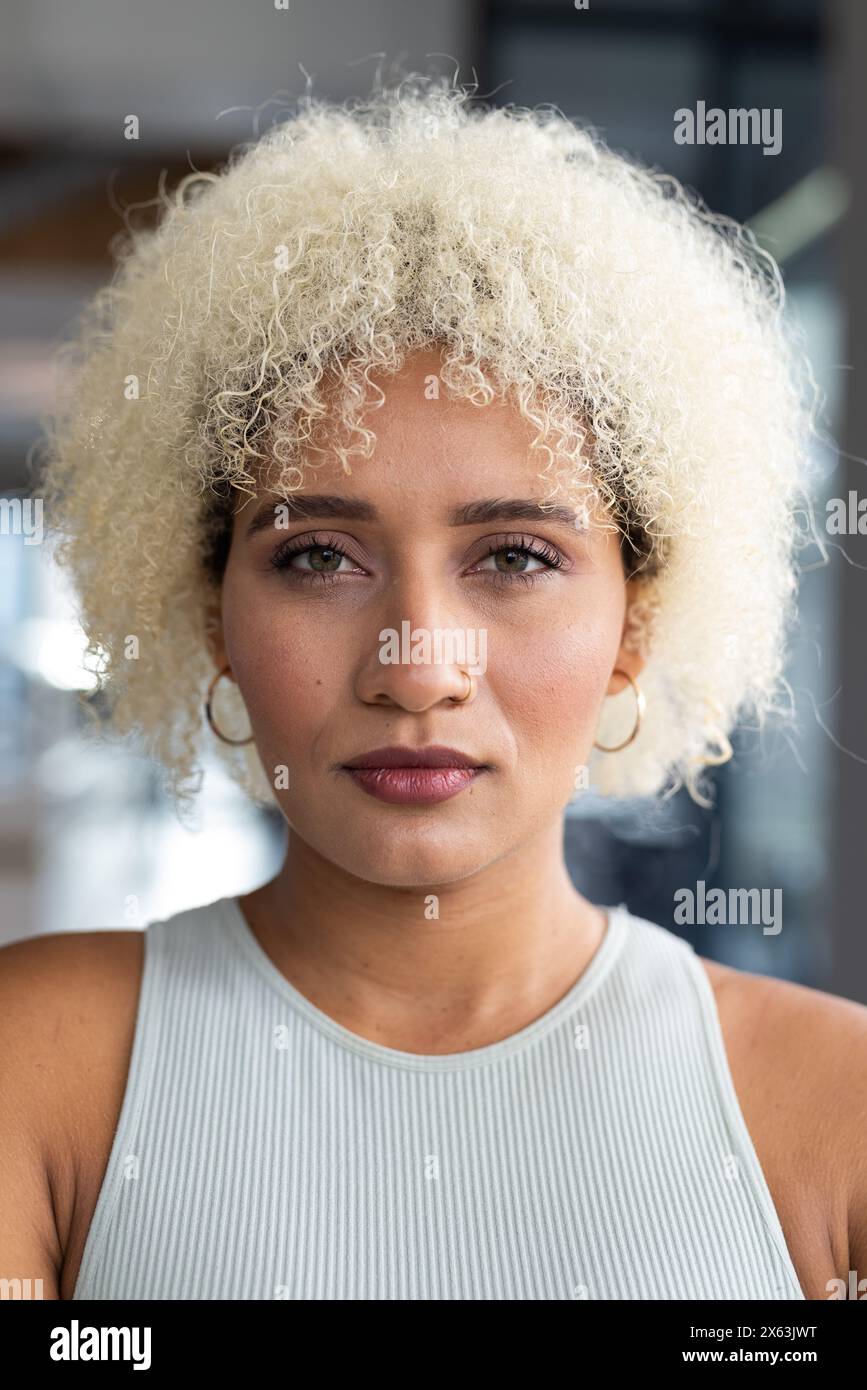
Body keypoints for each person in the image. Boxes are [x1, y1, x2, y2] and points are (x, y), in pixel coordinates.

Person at [2, 73, 865, 1301]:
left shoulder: (837, 1113)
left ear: (638, 621)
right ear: (213, 615)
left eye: (515, 556)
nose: (417, 663)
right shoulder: (34, 1064)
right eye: (317, 555)